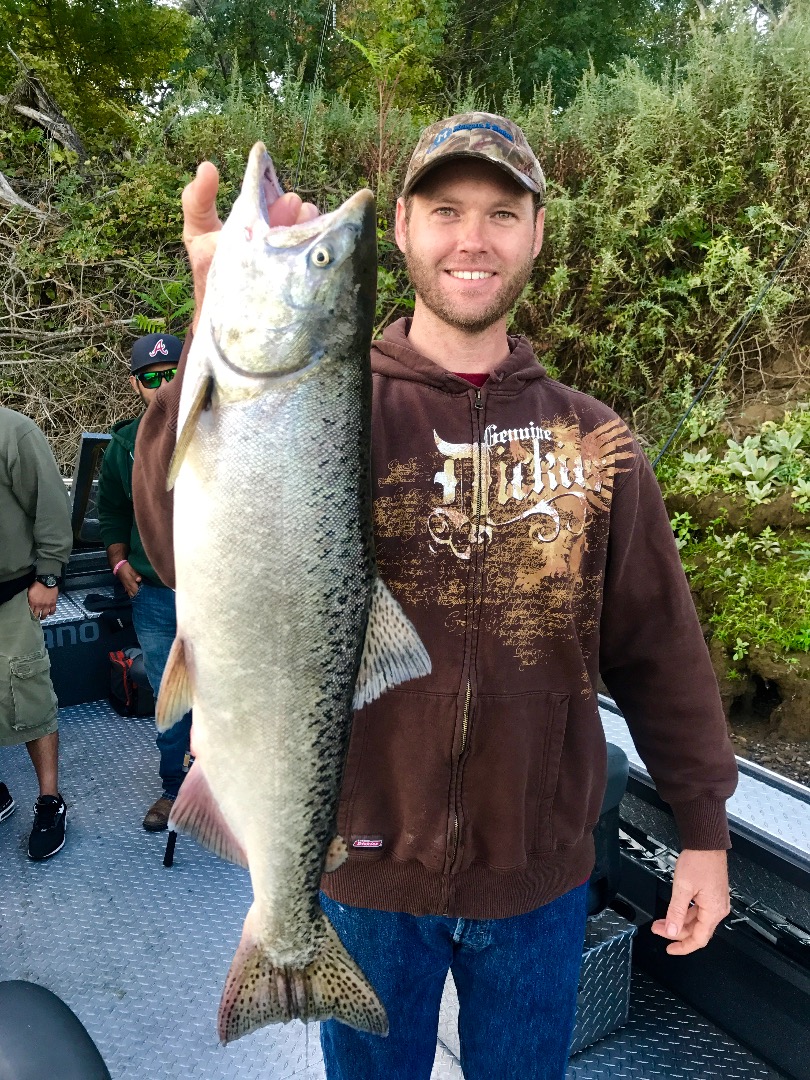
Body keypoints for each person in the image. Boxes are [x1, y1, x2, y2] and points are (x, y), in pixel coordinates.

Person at [132, 113, 738, 1078]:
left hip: (538, 877)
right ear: (406, 227)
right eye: (446, 209)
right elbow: (176, 543)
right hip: (363, 866)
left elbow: (660, 646)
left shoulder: (598, 440)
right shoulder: (321, 400)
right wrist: (214, 320)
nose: (474, 238)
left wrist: (703, 828)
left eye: (503, 213)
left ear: (537, 234)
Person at [96, 333, 192, 832]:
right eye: (151, 377)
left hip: (219, 597)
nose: (162, 385)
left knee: (228, 692)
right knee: (169, 694)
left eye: (172, 372)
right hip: (154, 596)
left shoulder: (221, 432)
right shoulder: (122, 445)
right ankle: (174, 789)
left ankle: (230, 791)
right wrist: (118, 559)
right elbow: (110, 508)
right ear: (136, 384)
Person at [0, 407, 73, 860]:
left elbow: (50, 506)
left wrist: (48, 577)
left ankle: (49, 801)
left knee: (30, 696)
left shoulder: (15, 432)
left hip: (11, 594)